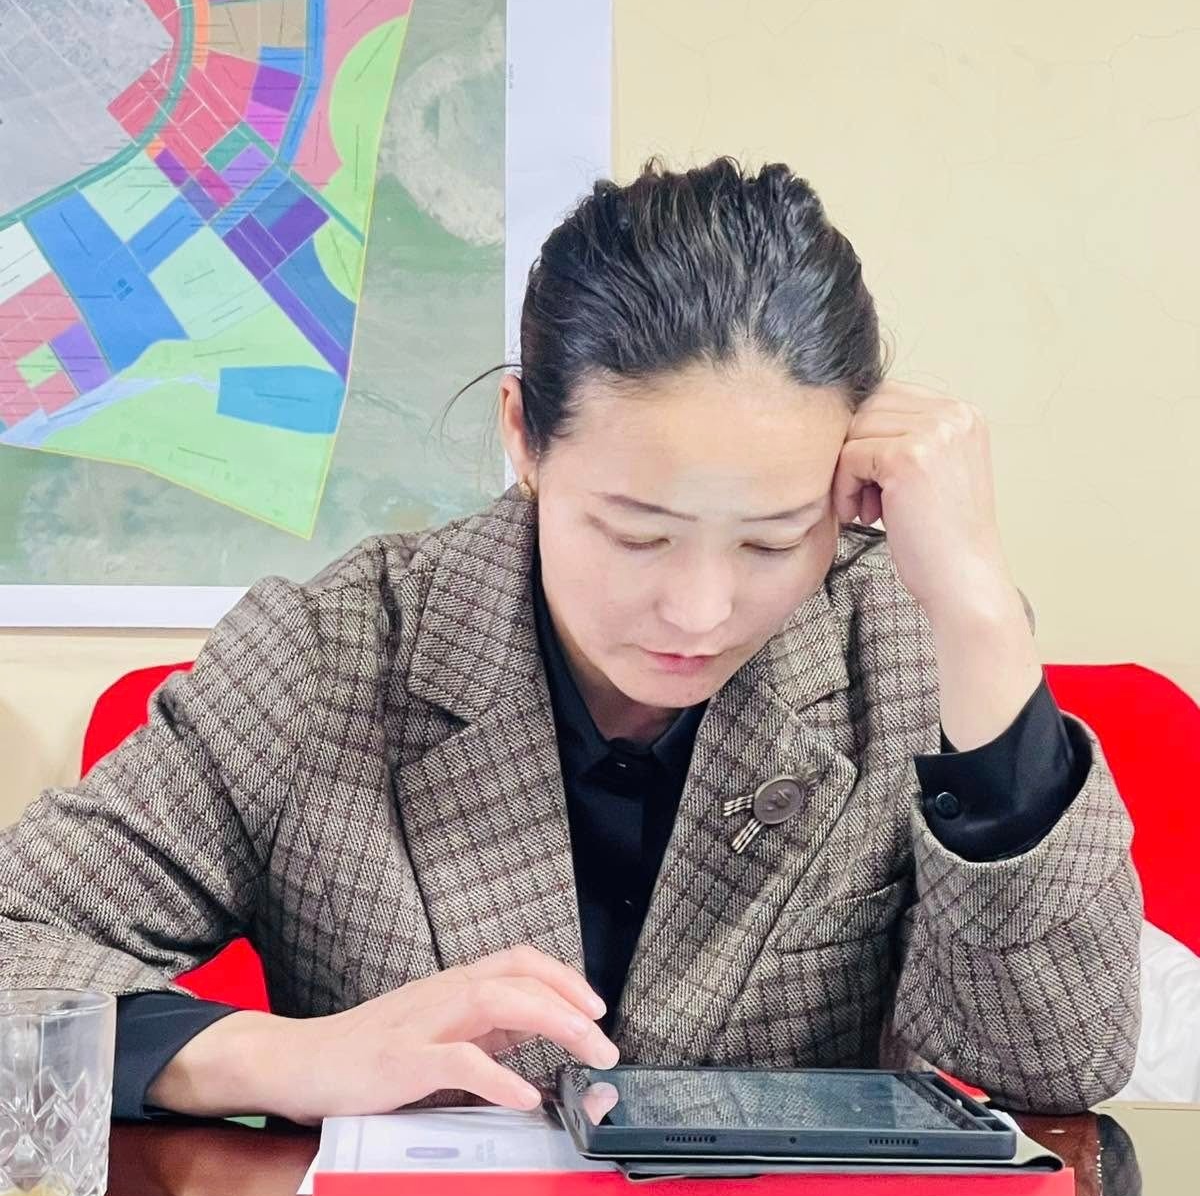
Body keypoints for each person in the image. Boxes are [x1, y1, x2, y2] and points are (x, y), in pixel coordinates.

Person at [0, 159, 1141, 1126]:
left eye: (772, 539)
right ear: (525, 440)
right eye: (636, 534)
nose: (699, 610)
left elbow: (1053, 1068)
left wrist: (983, 619)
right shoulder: (329, 659)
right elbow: (18, 938)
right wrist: (283, 1058)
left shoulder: (899, 648)